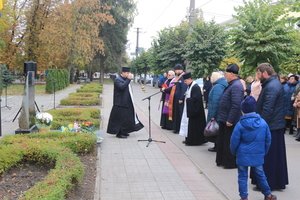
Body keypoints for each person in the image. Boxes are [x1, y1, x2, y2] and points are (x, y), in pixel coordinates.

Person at [230, 96, 277, 200]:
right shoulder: (263, 123)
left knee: (242, 177)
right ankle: (268, 194)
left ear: (242, 109)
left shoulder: (240, 124)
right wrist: (264, 152)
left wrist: (234, 152)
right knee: (261, 175)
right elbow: (268, 140)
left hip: (242, 154)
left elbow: (234, 141)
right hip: (258, 153)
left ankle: (244, 197)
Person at [253, 62, 288, 190]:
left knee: (269, 157)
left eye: (258, 73)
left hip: (271, 127)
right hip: (273, 126)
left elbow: (268, 109)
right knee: (274, 157)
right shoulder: (272, 84)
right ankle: (274, 181)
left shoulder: (272, 86)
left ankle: (269, 183)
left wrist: (259, 125)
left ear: (265, 73)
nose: (257, 76)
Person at [216, 64, 244, 169]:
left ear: (232, 74)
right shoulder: (232, 84)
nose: (224, 75)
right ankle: (223, 161)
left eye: (226, 73)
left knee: (229, 142)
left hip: (230, 120)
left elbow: (236, 104)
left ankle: (229, 163)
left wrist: (230, 119)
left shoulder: (236, 86)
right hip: (224, 118)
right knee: (223, 141)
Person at [107, 67, 144, 138]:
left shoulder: (124, 79)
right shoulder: (118, 80)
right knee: (120, 119)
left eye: (128, 73)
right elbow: (122, 87)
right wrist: (128, 79)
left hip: (126, 102)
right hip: (120, 103)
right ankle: (119, 133)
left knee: (127, 118)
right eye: (127, 73)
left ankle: (124, 131)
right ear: (122, 73)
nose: (128, 74)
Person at [179, 72, 207, 145]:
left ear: (189, 79)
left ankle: (193, 141)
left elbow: (196, 99)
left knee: (194, 127)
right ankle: (188, 138)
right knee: (189, 125)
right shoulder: (190, 86)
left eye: (185, 81)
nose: (185, 83)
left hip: (195, 111)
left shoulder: (195, 87)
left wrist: (188, 100)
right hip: (190, 109)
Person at [206, 71, 228, 152]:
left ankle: (217, 146)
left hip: (216, 113)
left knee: (216, 129)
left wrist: (212, 116)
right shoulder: (222, 85)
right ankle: (217, 145)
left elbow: (215, 102)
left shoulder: (217, 87)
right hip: (220, 113)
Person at [171, 64, 188, 133]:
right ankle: (176, 128)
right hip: (176, 98)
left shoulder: (183, 77)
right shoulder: (178, 77)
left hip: (180, 99)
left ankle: (180, 129)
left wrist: (181, 98)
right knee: (176, 113)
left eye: (176, 70)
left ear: (179, 70)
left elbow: (184, 89)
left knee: (180, 113)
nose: (175, 71)